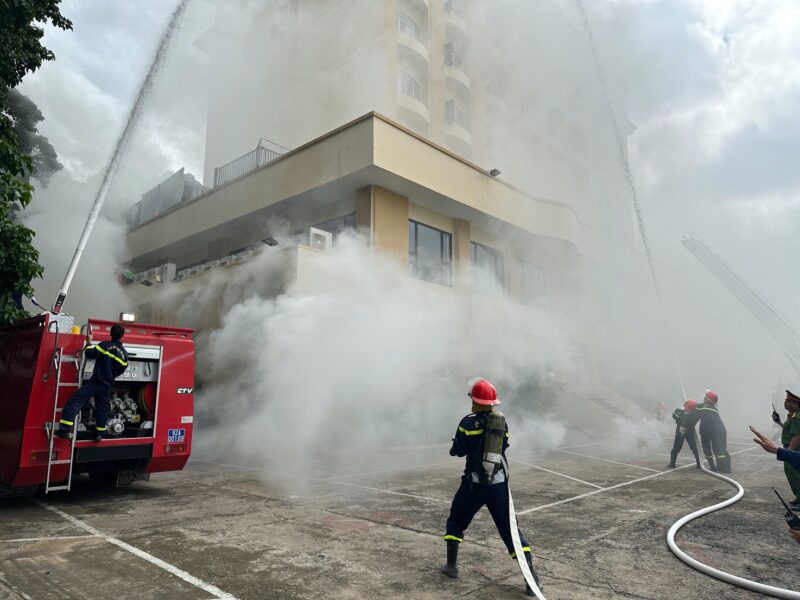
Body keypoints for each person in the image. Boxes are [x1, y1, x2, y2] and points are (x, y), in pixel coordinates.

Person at [441, 378, 542, 596]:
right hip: (498, 487)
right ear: (492, 403)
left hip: (474, 486)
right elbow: (504, 445)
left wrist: (458, 446)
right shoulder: (501, 423)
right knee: (511, 532)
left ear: (475, 401)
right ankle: (532, 580)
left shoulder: (467, 423)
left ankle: (451, 567)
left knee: (456, 520)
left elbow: (458, 450)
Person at [54, 324, 128, 442]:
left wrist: (89, 342)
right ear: (122, 336)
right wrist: (110, 376)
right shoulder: (124, 354)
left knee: (75, 402)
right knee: (103, 409)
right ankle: (99, 434)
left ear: (110, 334)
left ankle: (64, 429)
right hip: (107, 385)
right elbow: (122, 369)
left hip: (95, 382)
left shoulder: (105, 345)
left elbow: (89, 353)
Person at [767, 390, 800, 510]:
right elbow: (788, 429)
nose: (785, 403)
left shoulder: (797, 416)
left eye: (787, 401)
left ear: (795, 404)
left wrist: (789, 452)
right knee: (792, 475)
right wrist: (778, 422)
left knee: (796, 475)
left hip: (795, 450)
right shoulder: (792, 415)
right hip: (791, 449)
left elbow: (797, 436)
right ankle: (798, 498)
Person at [685, 390, 731, 473]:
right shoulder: (713, 408)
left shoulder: (702, 407)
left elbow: (693, 417)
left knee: (708, 448)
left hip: (708, 430)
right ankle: (726, 468)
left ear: (708, 399)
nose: (704, 398)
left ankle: (714, 467)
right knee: (721, 449)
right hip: (721, 430)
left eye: (706, 396)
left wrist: (687, 423)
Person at [668, 399, 701, 469]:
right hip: (683, 432)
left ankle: (699, 464)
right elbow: (674, 415)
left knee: (694, 448)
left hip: (687, 432)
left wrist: (684, 417)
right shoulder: (681, 411)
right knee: (677, 448)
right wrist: (683, 415)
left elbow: (693, 422)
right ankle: (672, 463)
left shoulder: (695, 414)